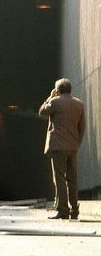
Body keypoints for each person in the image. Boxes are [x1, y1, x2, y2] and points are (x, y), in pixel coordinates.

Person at [38, 78, 86, 220]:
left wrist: (50, 96)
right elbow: (82, 127)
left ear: (58, 90)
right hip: (73, 146)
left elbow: (42, 112)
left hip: (58, 146)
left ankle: (63, 210)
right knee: (72, 179)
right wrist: (77, 143)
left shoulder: (55, 102)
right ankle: (75, 210)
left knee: (59, 178)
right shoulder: (79, 104)